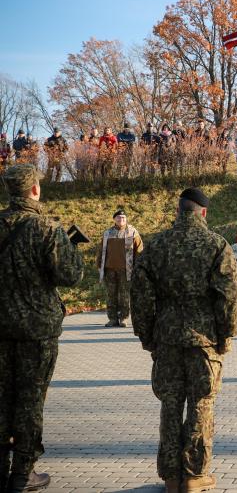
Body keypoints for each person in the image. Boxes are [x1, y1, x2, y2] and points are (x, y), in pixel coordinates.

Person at [130, 188, 237, 493]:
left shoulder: (156, 245)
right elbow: (228, 296)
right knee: (201, 404)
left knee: (170, 404)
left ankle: (170, 476)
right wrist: (226, 335)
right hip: (203, 341)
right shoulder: (215, 244)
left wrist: (146, 335)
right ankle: (194, 474)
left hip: (166, 338)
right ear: (203, 212)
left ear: (179, 211)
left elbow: (140, 295)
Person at [0, 164, 84, 492]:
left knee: (3, 397)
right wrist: (72, 246)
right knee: (31, 399)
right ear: (34, 189)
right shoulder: (47, 229)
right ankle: (23, 473)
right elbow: (71, 275)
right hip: (37, 330)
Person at [96, 209, 143, 328]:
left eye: (123, 218)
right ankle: (112, 319)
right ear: (114, 219)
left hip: (126, 270)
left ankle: (124, 318)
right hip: (109, 269)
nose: (121, 220)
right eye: (118, 218)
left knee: (124, 295)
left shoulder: (132, 232)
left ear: (126, 219)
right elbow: (101, 250)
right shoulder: (107, 233)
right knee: (111, 295)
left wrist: (139, 267)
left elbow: (139, 251)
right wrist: (99, 265)